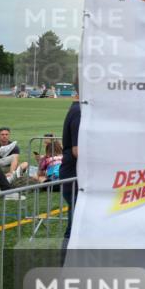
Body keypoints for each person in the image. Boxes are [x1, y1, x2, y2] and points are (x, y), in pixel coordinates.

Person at [59, 87, 81, 241]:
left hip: (73, 173)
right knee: (74, 228)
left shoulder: (77, 109)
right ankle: (66, 260)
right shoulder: (79, 111)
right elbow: (77, 151)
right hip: (73, 174)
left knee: (75, 226)